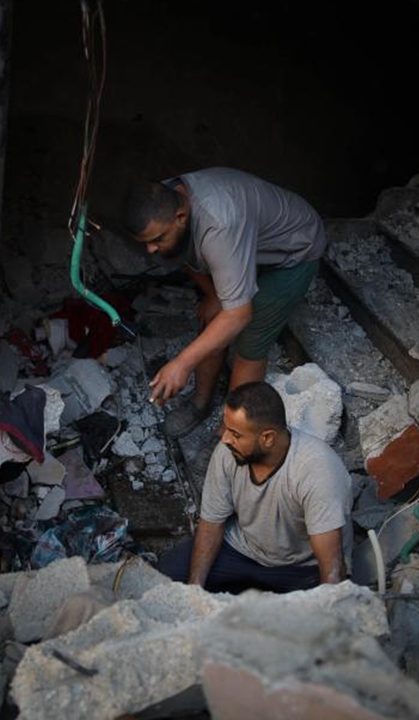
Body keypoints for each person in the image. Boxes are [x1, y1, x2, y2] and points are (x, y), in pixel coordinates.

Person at [120, 167, 326, 437]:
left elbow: (239, 314)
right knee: (213, 317)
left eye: (157, 239)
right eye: (146, 243)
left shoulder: (219, 224)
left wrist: (182, 364)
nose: (151, 249)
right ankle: (200, 404)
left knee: (250, 337)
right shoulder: (170, 199)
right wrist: (214, 295)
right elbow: (183, 254)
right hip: (250, 247)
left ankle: (229, 434)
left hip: (295, 251)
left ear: (181, 216)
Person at [157, 381, 351, 593]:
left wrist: (328, 610)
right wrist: (195, 591)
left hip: (299, 568)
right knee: (168, 573)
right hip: (243, 551)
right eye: (226, 428)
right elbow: (211, 524)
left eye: (236, 434)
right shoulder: (228, 452)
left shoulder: (316, 470)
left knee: (290, 621)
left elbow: (332, 569)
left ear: (267, 438)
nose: (225, 439)